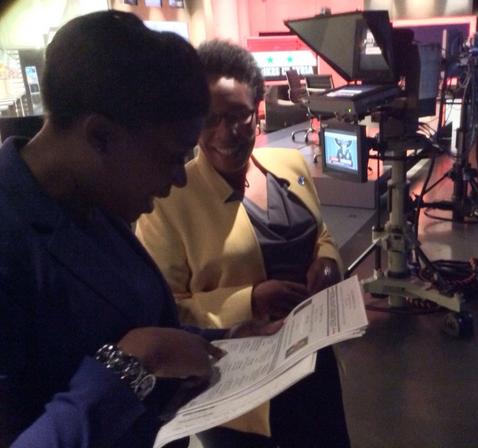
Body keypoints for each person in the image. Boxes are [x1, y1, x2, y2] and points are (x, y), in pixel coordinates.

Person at [0, 12, 279, 447]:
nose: (181, 178)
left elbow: (135, 323)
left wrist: (226, 340)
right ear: (100, 136)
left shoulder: (95, 195)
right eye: (171, 157)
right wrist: (134, 364)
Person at [135, 39, 351, 448]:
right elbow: (168, 310)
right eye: (210, 119)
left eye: (239, 116)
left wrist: (327, 260)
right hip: (241, 392)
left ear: (258, 110)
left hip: (314, 362)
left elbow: (321, 233)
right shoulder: (168, 201)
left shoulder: (290, 164)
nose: (226, 134)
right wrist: (249, 300)